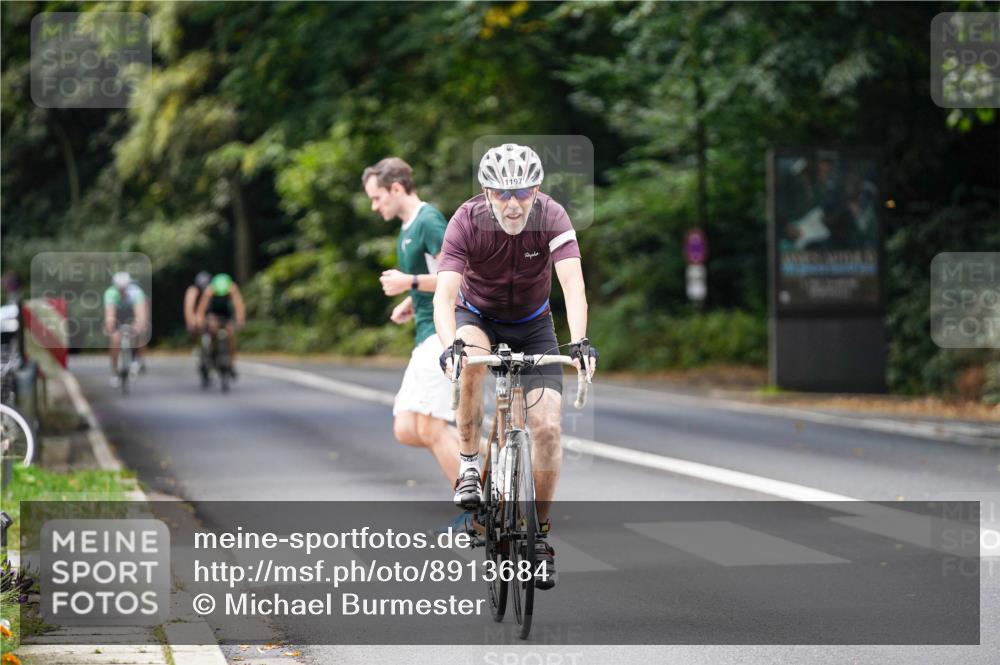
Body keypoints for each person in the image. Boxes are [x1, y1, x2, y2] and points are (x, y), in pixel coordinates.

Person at [433, 143, 599, 589]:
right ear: (487, 192)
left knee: (547, 428)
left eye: (522, 192)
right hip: (477, 317)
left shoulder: (553, 217)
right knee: (471, 360)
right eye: (502, 193)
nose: (512, 203)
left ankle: (539, 536)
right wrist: (450, 346)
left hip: (533, 325)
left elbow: (573, 286)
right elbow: (444, 296)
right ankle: (470, 465)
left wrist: (579, 340)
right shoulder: (467, 220)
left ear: (536, 190)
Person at [362, 157, 460, 485]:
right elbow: (435, 278)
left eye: (377, 198)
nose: (374, 206)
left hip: (442, 332)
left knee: (430, 428)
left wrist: (409, 282)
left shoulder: (428, 221)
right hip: (424, 331)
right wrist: (412, 299)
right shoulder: (406, 228)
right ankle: (480, 457)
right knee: (405, 428)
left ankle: (476, 506)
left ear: (396, 189)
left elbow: (459, 277)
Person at [103, 271, 148, 387]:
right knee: (114, 339)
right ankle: (114, 371)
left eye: (124, 288)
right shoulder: (110, 293)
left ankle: (137, 358)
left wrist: (138, 325)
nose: (122, 291)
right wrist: (110, 325)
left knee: (141, 330)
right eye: (119, 288)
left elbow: (140, 314)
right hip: (118, 316)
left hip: (131, 314)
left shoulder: (136, 292)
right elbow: (110, 315)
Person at [194, 273, 246, 374]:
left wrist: (240, 319)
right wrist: (200, 321)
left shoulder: (232, 288)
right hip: (213, 312)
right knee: (213, 328)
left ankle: (231, 363)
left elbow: (239, 304)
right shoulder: (210, 290)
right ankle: (213, 351)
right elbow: (202, 308)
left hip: (226, 313)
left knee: (231, 334)